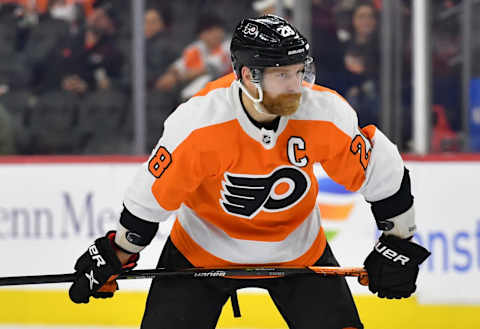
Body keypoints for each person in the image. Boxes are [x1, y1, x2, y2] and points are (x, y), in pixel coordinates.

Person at [68, 15, 430, 329]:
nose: (296, 85)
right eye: (282, 74)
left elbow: (382, 172)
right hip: (200, 253)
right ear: (247, 75)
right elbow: (149, 201)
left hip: (298, 252)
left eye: (299, 72)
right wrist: (117, 252)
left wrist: (399, 243)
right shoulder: (199, 124)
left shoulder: (324, 113)